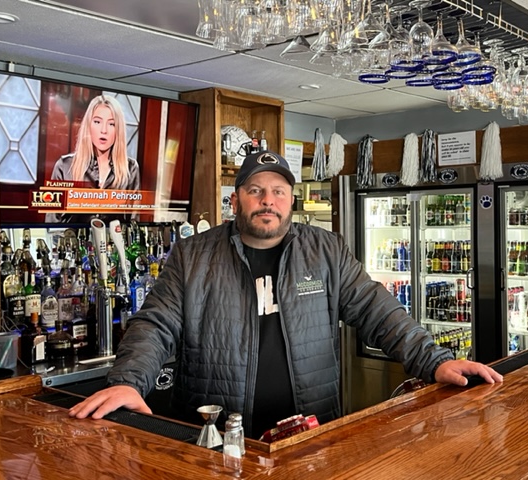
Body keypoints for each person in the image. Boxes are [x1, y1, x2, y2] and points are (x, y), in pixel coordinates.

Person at [69, 150, 502, 439]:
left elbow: (377, 310)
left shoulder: (325, 250)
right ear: (235, 199)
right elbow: (155, 325)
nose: (267, 200)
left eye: (278, 191)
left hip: (310, 433)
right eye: (255, 190)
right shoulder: (192, 255)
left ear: (290, 200)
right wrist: (128, 383)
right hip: (216, 435)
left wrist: (435, 360)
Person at [45, 94, 140, 224]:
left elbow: (133, 224)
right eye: (97, 122)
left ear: (118, 130)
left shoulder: (130, 169)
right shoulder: (64, 166)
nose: (104, 130)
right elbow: (52, 223)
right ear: (88, 126)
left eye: (111, 124)